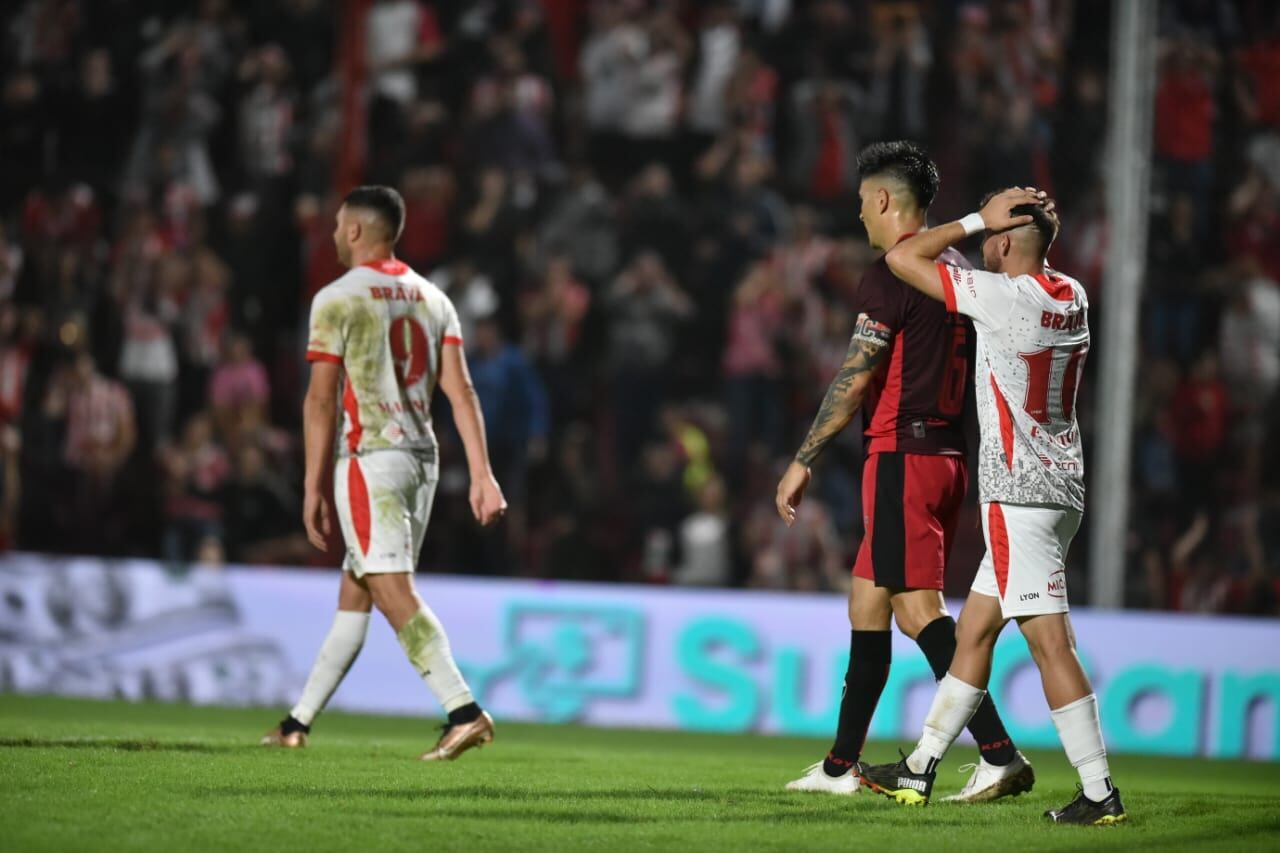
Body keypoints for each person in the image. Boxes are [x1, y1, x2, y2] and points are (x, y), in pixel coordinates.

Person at [859, 187, 1126, 825]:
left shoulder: (1003, 297)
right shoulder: (1072, 294)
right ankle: (921, 767)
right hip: (1061, 488)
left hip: (1019, 494)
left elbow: (903, 259)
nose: (981, 246)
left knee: (1051, 646)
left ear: (1005, 241)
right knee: (974, 633)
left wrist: (979, 215)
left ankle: (1099, 793)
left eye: (990, 238)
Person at [777, 142, 1030, 800]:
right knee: (868, 600)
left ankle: (1000, 753)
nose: (860, 213)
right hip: (948, 457)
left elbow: (857, 374)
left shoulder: (893, 271)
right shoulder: (954, 267)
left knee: (918, 611)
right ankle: (840, 768)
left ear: (887, 200)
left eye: (864, 201)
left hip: (901, 458)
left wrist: (803, 460)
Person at [261, 186, 507, 761]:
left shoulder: (336, 299)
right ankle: (297, 722)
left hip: (370, 457)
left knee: (391, 588)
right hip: (421, 459)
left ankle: (463, 711)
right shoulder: (432, 296)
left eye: (336, 226)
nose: (331, 236)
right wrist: (482, 474)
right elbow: (462, 391)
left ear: (354, 232)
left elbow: (320, 401)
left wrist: (311, 485)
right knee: (359, 586)